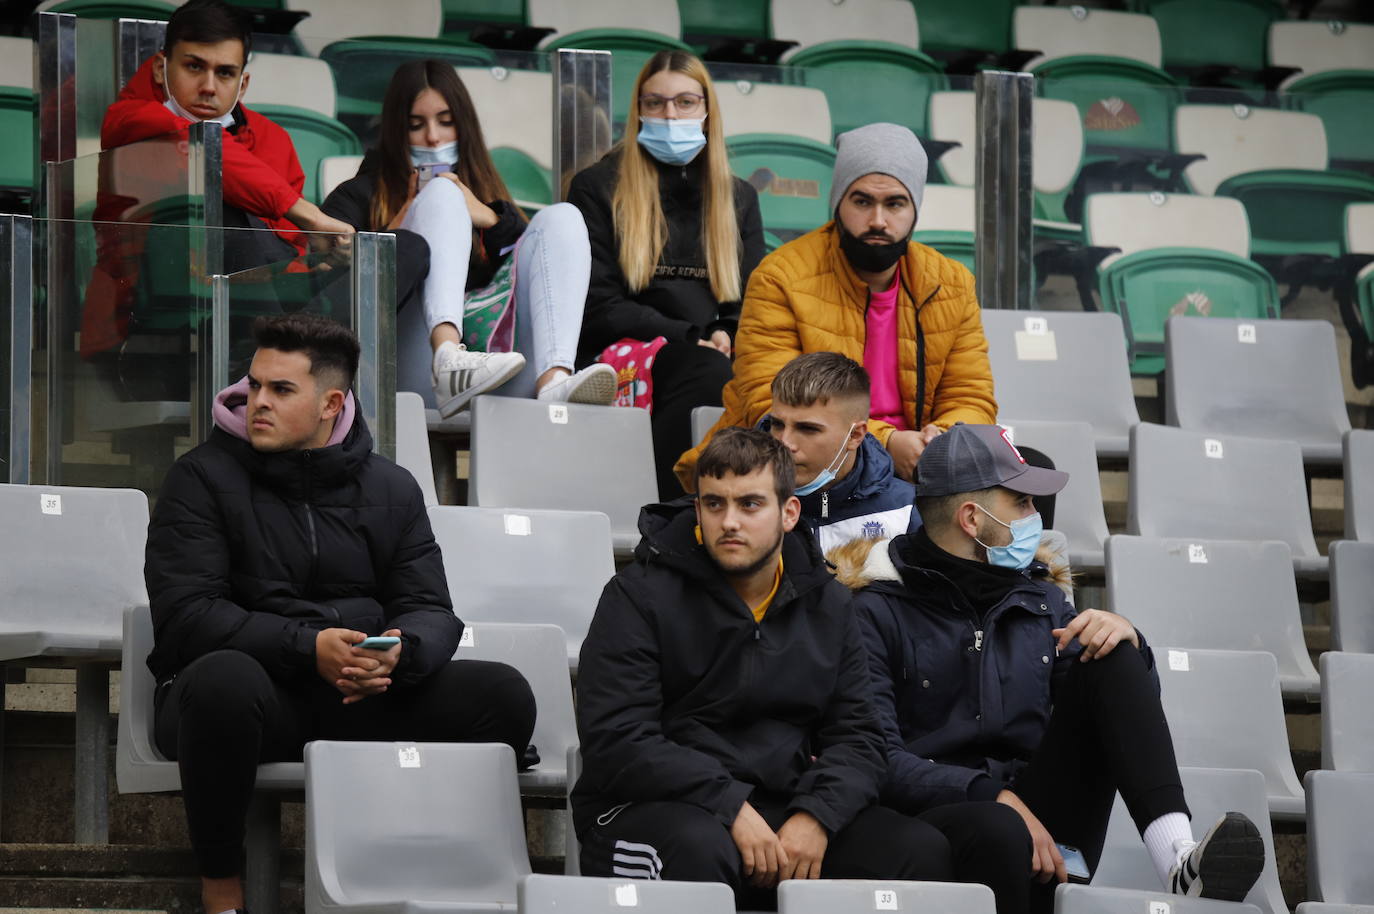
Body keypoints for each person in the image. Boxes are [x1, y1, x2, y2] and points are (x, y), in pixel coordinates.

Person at [143, 314, 536, 914]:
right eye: (254, 385)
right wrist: (309, 647)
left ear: (330, 403)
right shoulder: (200, 478)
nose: (257, 403)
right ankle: (222, 886)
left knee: (504, 694)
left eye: (280, 390)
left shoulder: (392, 487)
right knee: (223, 681)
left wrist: (400, 654)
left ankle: (412, 870)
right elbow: (188, 616)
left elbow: (429, 606)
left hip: (356, 693)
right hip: (249, 695)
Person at [572, 427, 1031, 909]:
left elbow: (861, 737)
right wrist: (727, 805)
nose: (729, 522)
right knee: (701, 852)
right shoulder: (637, 596)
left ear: (789, 512)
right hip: (649, 808)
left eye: (750, 504)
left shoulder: (827, 601)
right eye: (714, 504)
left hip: (780, 802)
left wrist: (817, 815)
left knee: (914, 851)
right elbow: (618, 737)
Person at [839, 423, 1266, 914]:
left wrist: (1131, 644)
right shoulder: (875, 609)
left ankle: (1178, 861)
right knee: (996, 827)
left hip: (1044, 820)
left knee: (1111, 646)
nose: (1035, 518)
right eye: (1021, 503)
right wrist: (993, 795)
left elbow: (1108, 709)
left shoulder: (1042, 600)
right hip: (939, 820)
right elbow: (875, 757)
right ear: (972, 519)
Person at [675, 122, 997, 491]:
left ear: (915, 210)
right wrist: (888, 443)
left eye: (895, 203)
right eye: (862, 202)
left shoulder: (951, 283)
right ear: (837, 203)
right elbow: (769, 402)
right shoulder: (781, 276)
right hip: (809, 461)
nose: (878, 220)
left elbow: (970, 395)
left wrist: (939, 441)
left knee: (1027, 468)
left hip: (920, 462)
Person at [323, 60, 613, 416]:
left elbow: (533, 274)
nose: (433, 136)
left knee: (564, 217)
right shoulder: (355, 196)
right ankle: (448, 357)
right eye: (417, 125)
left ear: (465, 126)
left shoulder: (486, 194)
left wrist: (489, 218)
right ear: (396, 132)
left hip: (501, 372)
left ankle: (554, 379)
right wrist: (403, 224)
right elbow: (333, 299)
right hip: (403, 374)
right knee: (442, 194)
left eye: (446, 122)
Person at [84, 0, 357, 370]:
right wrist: (308, 214)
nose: (208, 87)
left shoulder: (273, 140)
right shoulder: (130, 121)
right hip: (150, 327)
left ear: (243, 83)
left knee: (406, 248)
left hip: (249, 311)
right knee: (225, 211)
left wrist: (318, 265)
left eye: (225, 73)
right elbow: (204, 150)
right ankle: (290, 364)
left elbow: (285, 252)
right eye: (194, 66)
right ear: (161, 68)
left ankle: (291, 358)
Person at [566, 50, 765, 499]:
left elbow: (751, 301)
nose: (669, 115)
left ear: (707, 111)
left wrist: (726, 332)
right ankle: (672, 513)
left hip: (707, 349)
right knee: (706, 372)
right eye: (654, 103)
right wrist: (688, 335)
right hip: (620, 352)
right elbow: (598, 305)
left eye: (685, 103)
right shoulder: (597, 187)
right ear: (638, 110)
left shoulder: (739, 197)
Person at [765, 352, 918, 556]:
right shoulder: (738, 500)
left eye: (807, 429)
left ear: (855, 435)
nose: (785, 442)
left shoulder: (904, 510)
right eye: (777, 424)